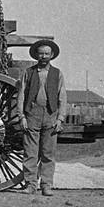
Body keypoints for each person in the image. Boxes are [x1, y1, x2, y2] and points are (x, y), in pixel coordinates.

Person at [16, 39, 67, 197]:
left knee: (48, 154)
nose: (44, 56)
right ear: (36, 55)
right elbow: (21, 95)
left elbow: (62, 97)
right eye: (41, 53)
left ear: (51, 55)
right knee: (30, 152)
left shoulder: (57, 74)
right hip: (32, 115)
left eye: (47, 53)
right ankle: (31, 185)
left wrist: (60, 119)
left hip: (51, 116)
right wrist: (22, 116)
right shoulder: (29, 73)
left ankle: (46, 185)